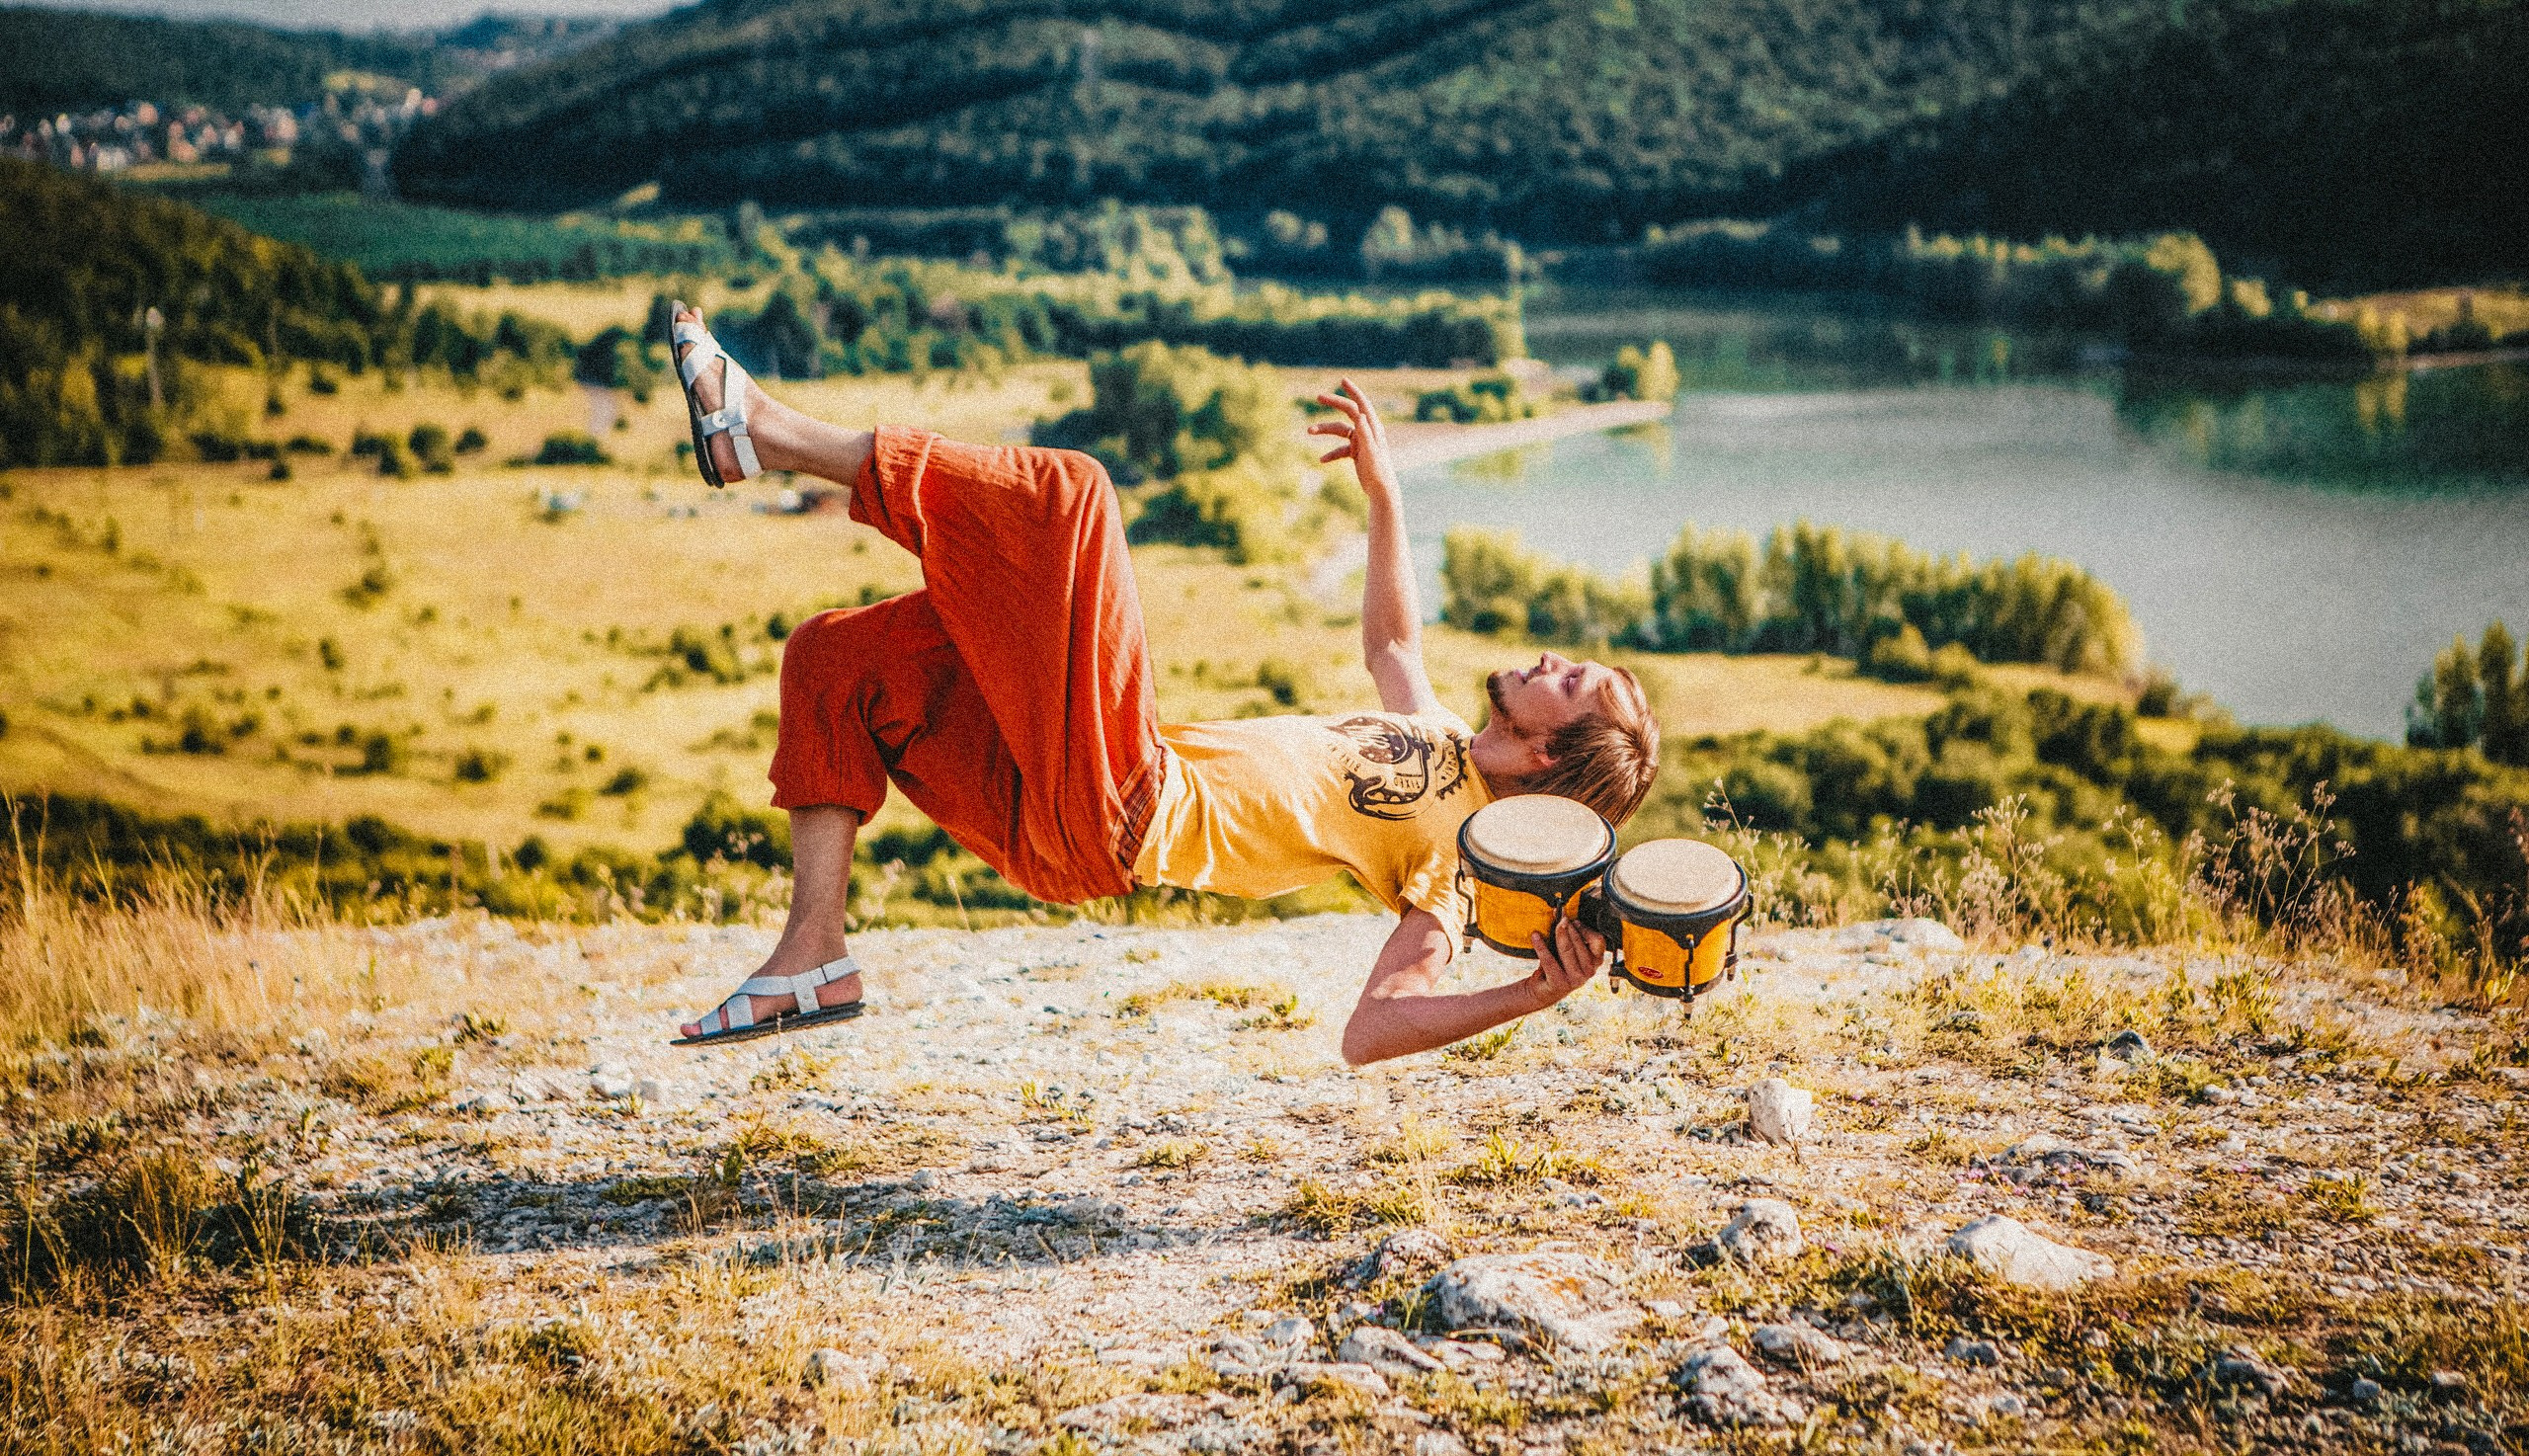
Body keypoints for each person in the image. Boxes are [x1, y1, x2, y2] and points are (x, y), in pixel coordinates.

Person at [665, 305, 1660, 1062]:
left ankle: (763, 432)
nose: (1551, 659)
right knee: (836, 660)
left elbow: (1372, 1029)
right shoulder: (1438, 732)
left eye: (1573, 682)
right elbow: (1394, 637)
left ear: (1546, 752)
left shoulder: (1458, 863)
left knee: (1074, 499)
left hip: (1123, 807)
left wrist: (1527, 996)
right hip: (1061, 800)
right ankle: (813, 955)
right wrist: (1386, 493)